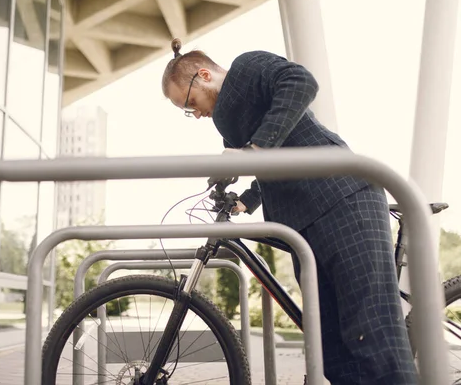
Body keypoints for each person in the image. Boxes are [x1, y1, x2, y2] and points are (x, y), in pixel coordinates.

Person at [161, 38, 418, 385]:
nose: (196, 114)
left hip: (342, 197)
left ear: (203, 75)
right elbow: (272, 161)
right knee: (332, 351)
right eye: (187, 112)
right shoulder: (226, 123)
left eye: (190, 104)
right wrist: (246, 200)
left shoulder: (247, 67)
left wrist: (254, 149)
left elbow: (301, 82)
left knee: (372, 334)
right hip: (304, 225)